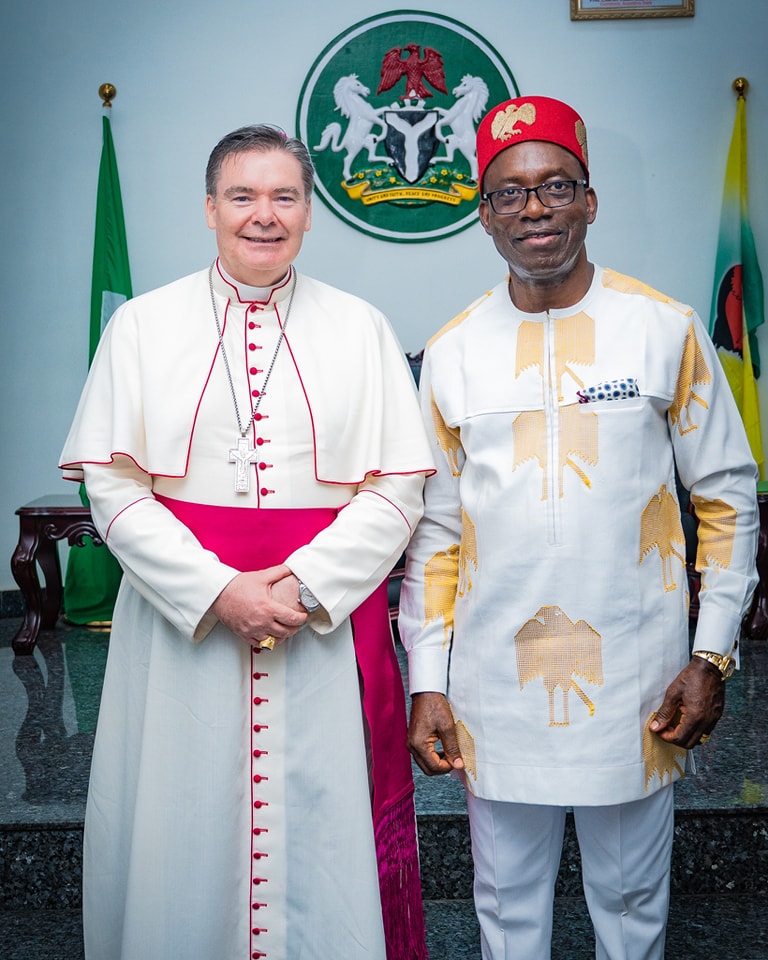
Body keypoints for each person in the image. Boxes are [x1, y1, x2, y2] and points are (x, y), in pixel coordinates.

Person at [59, 124, 433, 960]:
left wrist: (301, 585)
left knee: (323, 831)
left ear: (309, 212)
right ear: (209, 209)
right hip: (180, 622)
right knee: (178, 822)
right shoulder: (144, 327)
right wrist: (215, 590)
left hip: (321, 627)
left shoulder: (361, 327)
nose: (263, 215)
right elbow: (114, 485)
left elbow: (399, 487)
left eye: (284, 196)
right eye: (242, 196)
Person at [398, 95, 760, 960]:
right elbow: (435, 534)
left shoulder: (662, 329)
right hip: (494, 685)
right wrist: (427, 679)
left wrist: (711, 655)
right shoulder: (451, 352)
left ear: (589, 201)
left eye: (555, 187)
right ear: (483, 215)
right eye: (510, 194)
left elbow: (728, 498)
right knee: (505, 903)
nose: (535, 210)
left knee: (633, 904)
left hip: (640, 679)